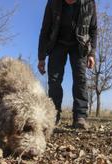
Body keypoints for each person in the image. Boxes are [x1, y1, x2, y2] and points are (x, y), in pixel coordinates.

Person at [38, 0, 97, 129]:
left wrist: (92, 53)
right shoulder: (53, 2)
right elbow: (45, 29)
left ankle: (80, 117)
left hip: (80, 45)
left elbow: (93, 29)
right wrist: (41, 58)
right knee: (54, 80)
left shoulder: (89, 3)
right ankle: (53, 116)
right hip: (57, 43)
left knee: (80, 79)